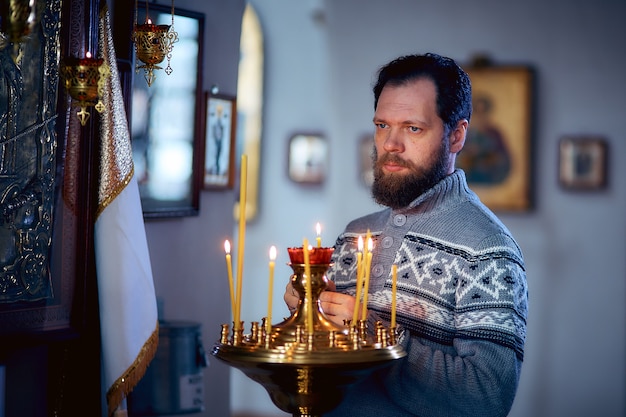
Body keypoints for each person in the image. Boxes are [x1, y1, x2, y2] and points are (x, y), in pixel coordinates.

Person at [284, 53, 528, 417]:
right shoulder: (355, 234)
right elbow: (323, 364)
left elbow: (486, 398)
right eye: (382, 125)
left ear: (457, 135)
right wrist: (307, 312)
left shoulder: (488, 249)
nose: (390, 144)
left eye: (413, 128)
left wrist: (371, 332)